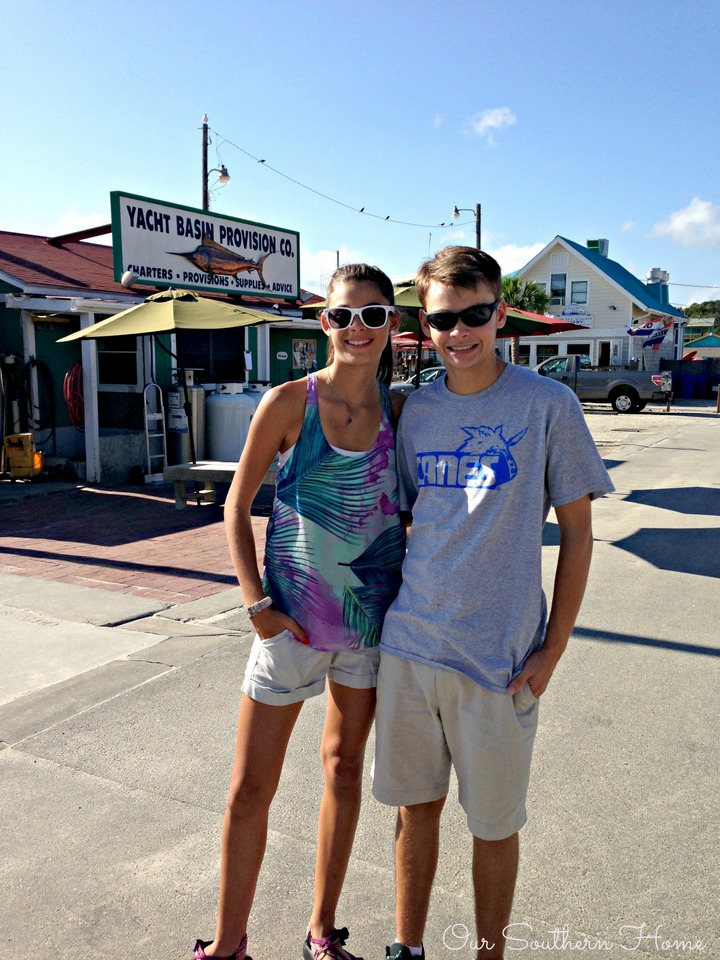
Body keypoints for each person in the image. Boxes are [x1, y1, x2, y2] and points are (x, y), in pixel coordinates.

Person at [372, 247, 615, 960]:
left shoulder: (548, 405)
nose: (460, 332)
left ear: (499, 313)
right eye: (443, 319)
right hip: (412, 649)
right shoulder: (415, 411)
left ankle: (489, 954)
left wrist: (554, 647)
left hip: (498, 661)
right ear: (425, 323)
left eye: (475, 314)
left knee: (493, 826)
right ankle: (406, 948)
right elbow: (412, 518)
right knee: (417, 813)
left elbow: (576, 532)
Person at [191, 264, 406, 960]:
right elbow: (235, 504)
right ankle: (228, 945)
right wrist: (254, 603)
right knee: (250, 787)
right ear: (325, 322)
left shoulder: (401, 414)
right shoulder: (289, 403)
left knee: (345, 771)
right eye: (345, 315)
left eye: (374, 316)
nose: (358, 329)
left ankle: (322, 928)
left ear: (393, 325)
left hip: (369, 631)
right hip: (288, 624)